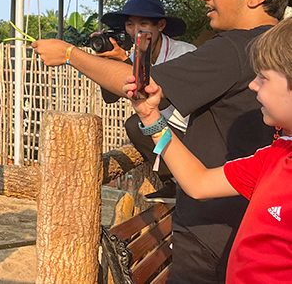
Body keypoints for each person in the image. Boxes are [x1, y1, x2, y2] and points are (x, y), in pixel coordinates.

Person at [32, 0, 292, 284]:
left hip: (212, 232)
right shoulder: (274, 47)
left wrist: (70, 54)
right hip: (237, 212)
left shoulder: (235, 48)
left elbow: (138, 83)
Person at [123, 17, 292, 283]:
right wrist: (151, 118)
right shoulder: (276, 156)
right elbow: (198, 182)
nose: (252, 85)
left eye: (264, 77)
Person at [98, 0, 196, 202]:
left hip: (194, 131)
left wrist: (124, 62)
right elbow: (110, 97)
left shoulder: (185, 53)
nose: (135, 31)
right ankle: (172, 183)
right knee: (138, 124)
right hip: (166, 129)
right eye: (130, 25)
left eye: (143, 24)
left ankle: (184, 182)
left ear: (160, 25)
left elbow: (162, 96)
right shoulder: (135, 56)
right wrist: (106, 64)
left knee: (136, 123)